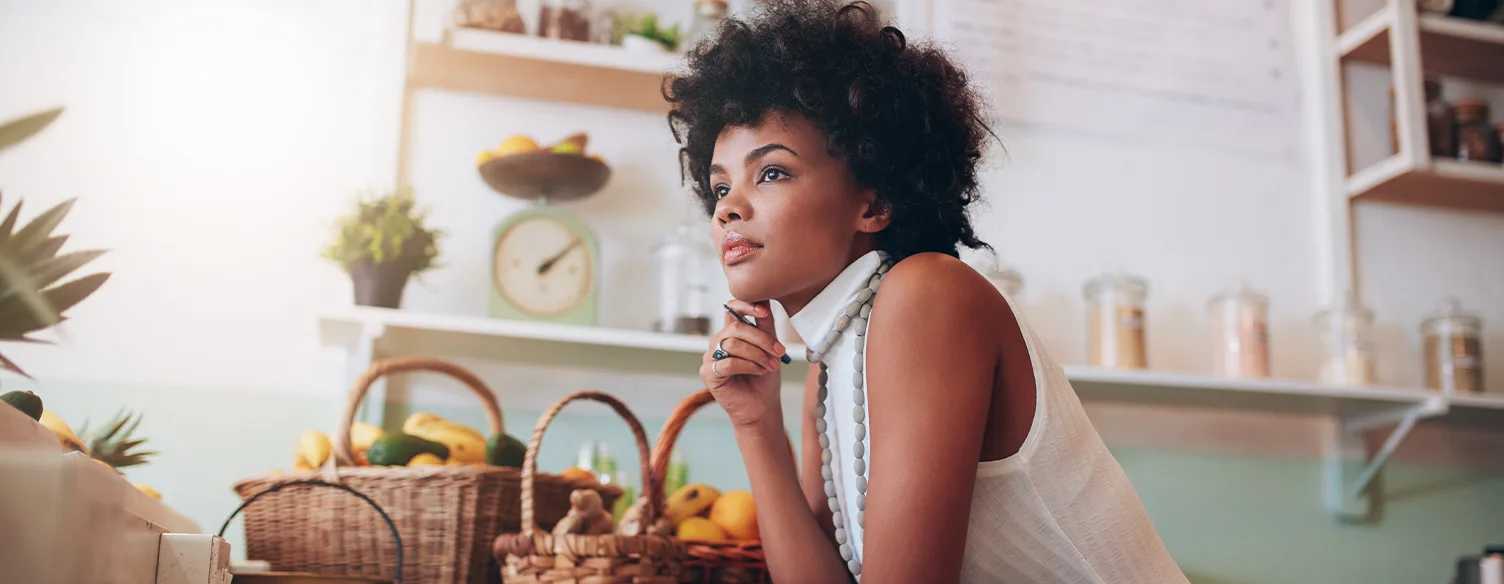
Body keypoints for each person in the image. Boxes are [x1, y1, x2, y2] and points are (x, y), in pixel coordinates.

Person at [667, 1, 1190, 583]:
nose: (728, 209)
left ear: (874, 203)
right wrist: (756, 426)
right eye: (719, 186)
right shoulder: (830, 360)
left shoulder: (926, 296)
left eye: (771, 173)